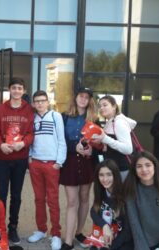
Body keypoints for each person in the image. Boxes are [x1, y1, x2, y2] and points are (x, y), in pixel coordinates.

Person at [0, 77, 34, 244]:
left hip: (20, 158)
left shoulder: (29, 109)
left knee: (16, 195)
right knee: (0, 195)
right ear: (10, 90)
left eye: (20, 88)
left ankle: (13, 226)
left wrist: (23, 143)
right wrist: (1, 145)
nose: (17, 90)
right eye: (14, 87)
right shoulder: (1, 108)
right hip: (2, 158)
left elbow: (31, 133)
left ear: (23, 91)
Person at [27, 90, 66, 250]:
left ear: (47, 102)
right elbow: (29, 139)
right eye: (36, 101)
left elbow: (61, 139)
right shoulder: (32, 118)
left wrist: (59, 162)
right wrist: (29, 158)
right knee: (38, 198)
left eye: (42, 101)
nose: (40, 104)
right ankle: (41, 229)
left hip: (52, 164)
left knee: (53, 199)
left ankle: (55, 233)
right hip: (35, 162)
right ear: (34, 104)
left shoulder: (55, 116)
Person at [60, 87, 98, 250]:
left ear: (90, 100)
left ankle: (79, 232)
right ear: (75, 98)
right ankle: (68, 240)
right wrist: (73, 147)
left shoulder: (94, 119)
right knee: (72, 202)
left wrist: (92, 150)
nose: (83, 99)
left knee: (84, 198)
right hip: (70, 162)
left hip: (87, 162)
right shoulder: (64, 117)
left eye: (86, 97)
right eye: (81, 96)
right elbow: (60, 140)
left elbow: (99, 142)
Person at [84, 159, 133, 250]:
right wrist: (104, 226)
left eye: (109, 174)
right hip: (107, 237)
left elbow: (128, 231)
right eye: (101, 175)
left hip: (124, 241)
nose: (105, 179)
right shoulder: (101, 191)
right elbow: (93, 211)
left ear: (115, 175)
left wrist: (110, 246)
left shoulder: (125, 195)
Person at [93, 95, 136, 180]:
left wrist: (105, 139)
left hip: (121, 170)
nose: (101, 108)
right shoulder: (110, 122)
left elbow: (128, 149)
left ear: (114, 106)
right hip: (113, 169)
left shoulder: (119, 122)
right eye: (100, 106)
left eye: (105, 105)